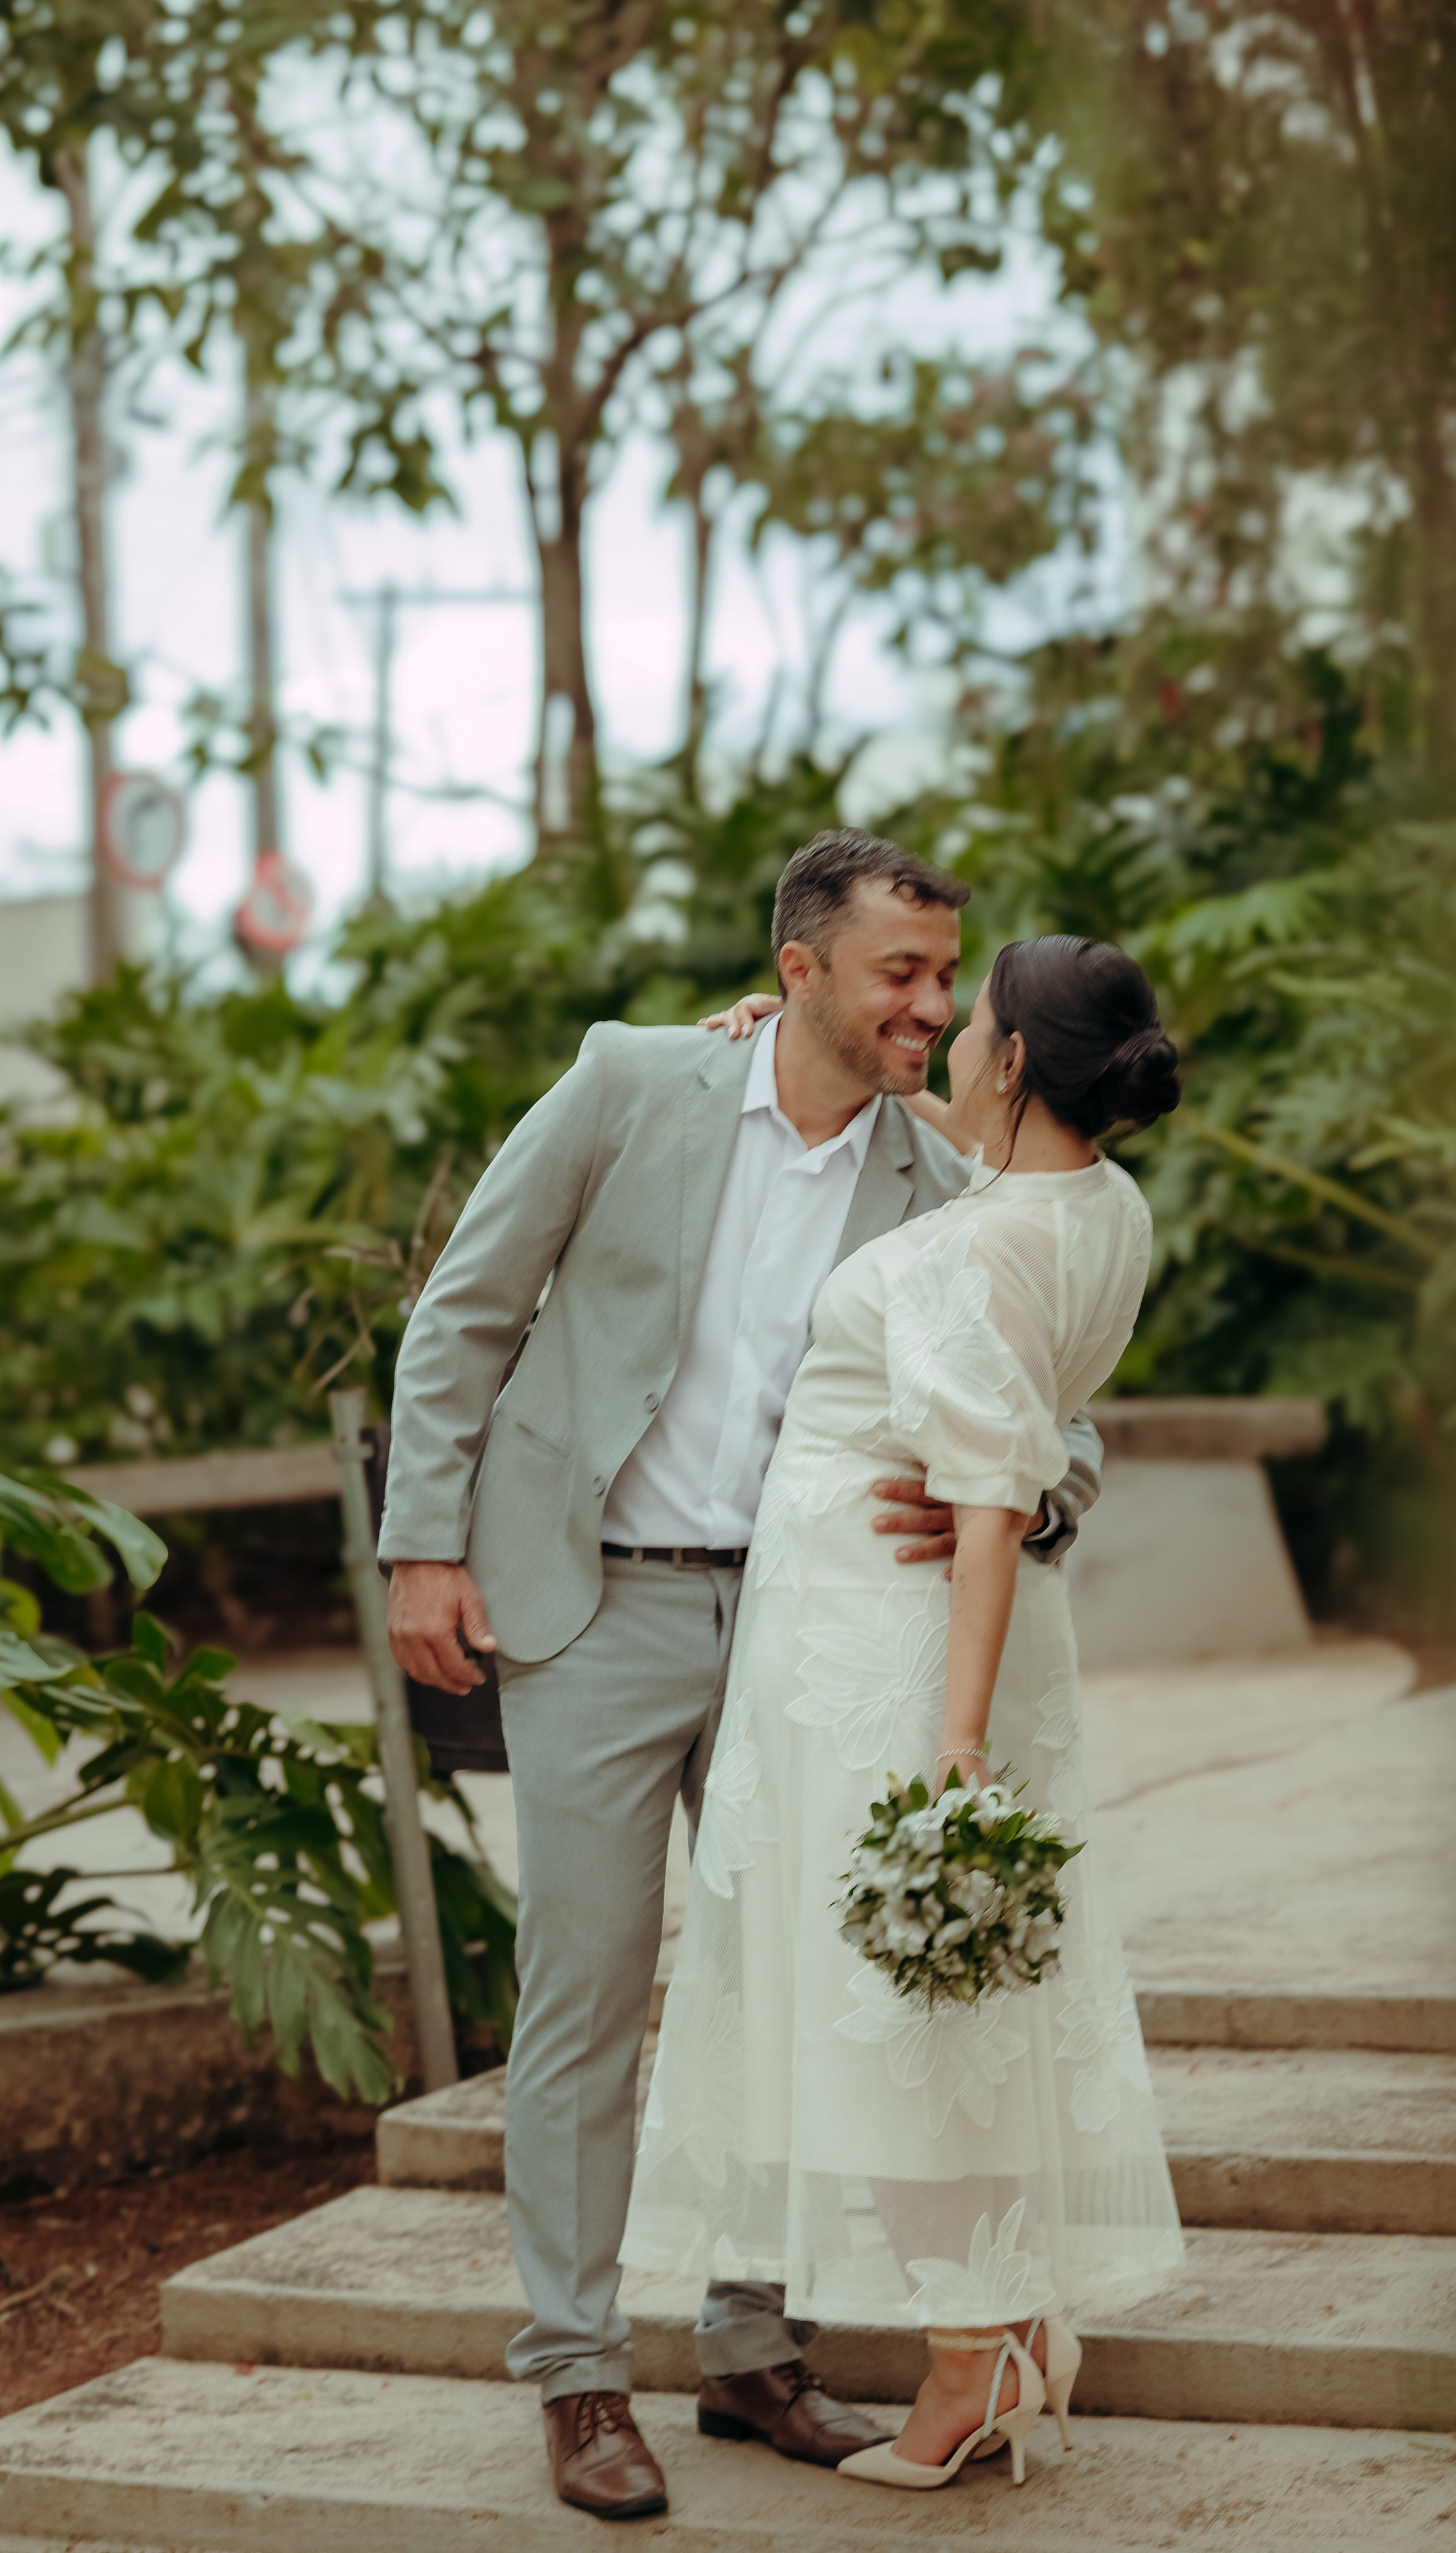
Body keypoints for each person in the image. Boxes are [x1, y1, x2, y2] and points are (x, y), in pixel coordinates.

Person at [379, 830, 1105, 2522]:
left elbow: (1061, 1416)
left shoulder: (941, 1182)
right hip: (589, 1605)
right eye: (898, 974)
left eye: (946, 975)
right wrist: (426, 1547)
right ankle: (571, 2375)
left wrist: (1032, 1494)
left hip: (808, 1627)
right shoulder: (632, 1084)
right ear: (797, 970)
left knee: (776, 1989)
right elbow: (466, 1312)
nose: (932, 1004)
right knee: (586, 1993)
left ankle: (745, 2347)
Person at [620, 933, 1187, 2495]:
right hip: (932, 1645)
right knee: (956, 2006)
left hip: (890, 1658)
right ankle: (1001, 2331)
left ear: (1010, 1061)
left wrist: (948, 1741)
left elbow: (993, 1495)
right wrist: (785, 1031)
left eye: (968, 1020)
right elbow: (992, 1193)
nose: (939, 1033)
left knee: (904, 2017)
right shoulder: (1095, 1205)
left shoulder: (967, 1252)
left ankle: (967, 2361)